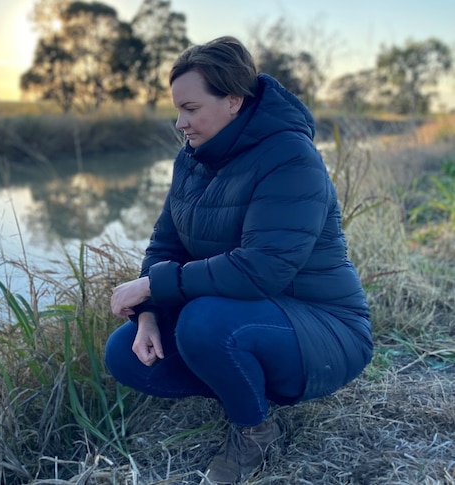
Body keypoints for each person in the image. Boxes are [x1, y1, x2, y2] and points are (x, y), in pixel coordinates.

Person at [104, 36, 373, 485]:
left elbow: (262, 268)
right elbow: (164, 245)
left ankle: (255, 432)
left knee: (204, 324)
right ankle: (243, 384)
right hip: (249, 314)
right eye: (177, 110)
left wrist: (151, 287)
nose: (180, 122)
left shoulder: (291, 157)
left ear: (233, 100)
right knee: (124, 354)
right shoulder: (191, 159)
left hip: (325, 326)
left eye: (191, 108)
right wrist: (148, 314)